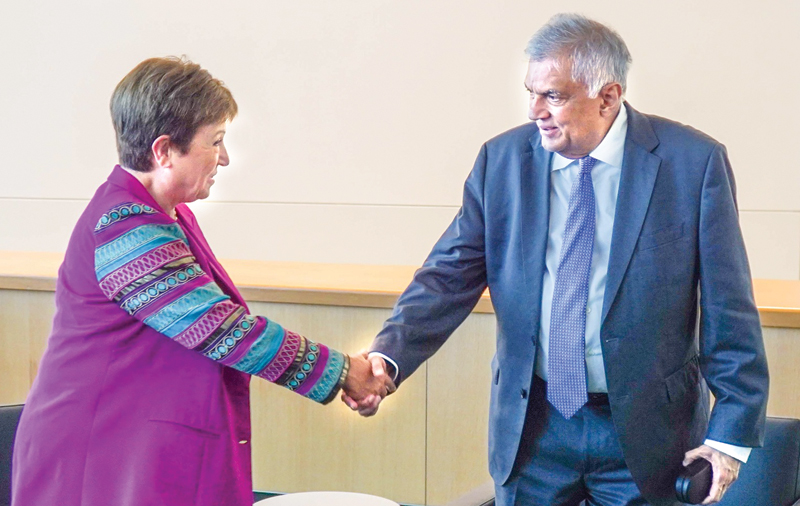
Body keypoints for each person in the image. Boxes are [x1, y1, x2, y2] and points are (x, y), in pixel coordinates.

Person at [344, 13, 769, 506]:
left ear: (608, 96)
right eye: (531, 92)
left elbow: (729, 306)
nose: (534, 111)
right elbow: (448, 275)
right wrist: (389, 358)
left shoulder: (691, 163)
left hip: (648, 434)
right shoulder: (501, 161)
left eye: (554, 96)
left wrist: (729, 436)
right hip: (534, 428)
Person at [11, 56, 393, 506]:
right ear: (164, 151)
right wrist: (343, 371)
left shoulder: (166, 215)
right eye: (215, 142)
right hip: (96, 458)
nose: (225, 158)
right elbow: (220, 329)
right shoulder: (124, 226)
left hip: (137, 449)